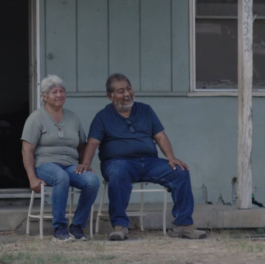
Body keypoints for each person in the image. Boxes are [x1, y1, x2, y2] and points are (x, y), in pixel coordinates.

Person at [81, 73, 206, 241]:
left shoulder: (145, 110)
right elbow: (93, 142)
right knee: (118, 172)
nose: (127, 94)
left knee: (180, 172)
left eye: (129, 88)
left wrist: (171, 157)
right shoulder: (102, 117)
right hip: (118, 162)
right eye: (120, 91)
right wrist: (86, 163)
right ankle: (120, 226)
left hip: (149, 162)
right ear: (110, 96)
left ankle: (182, 225)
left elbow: (160, 136)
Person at [21, 75, 100, 242]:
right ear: (44, 96)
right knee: (60, 177)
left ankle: (77, 226)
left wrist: (85, 164)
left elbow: (82, 145)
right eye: (54, 92)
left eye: (62, 91)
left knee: (92, 181)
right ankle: (59, 228)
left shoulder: (73, 117)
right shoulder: (36, 118)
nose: (59, 95)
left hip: (70, 165)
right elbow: (26, 150)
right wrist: (32, 178)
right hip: (45, 165)